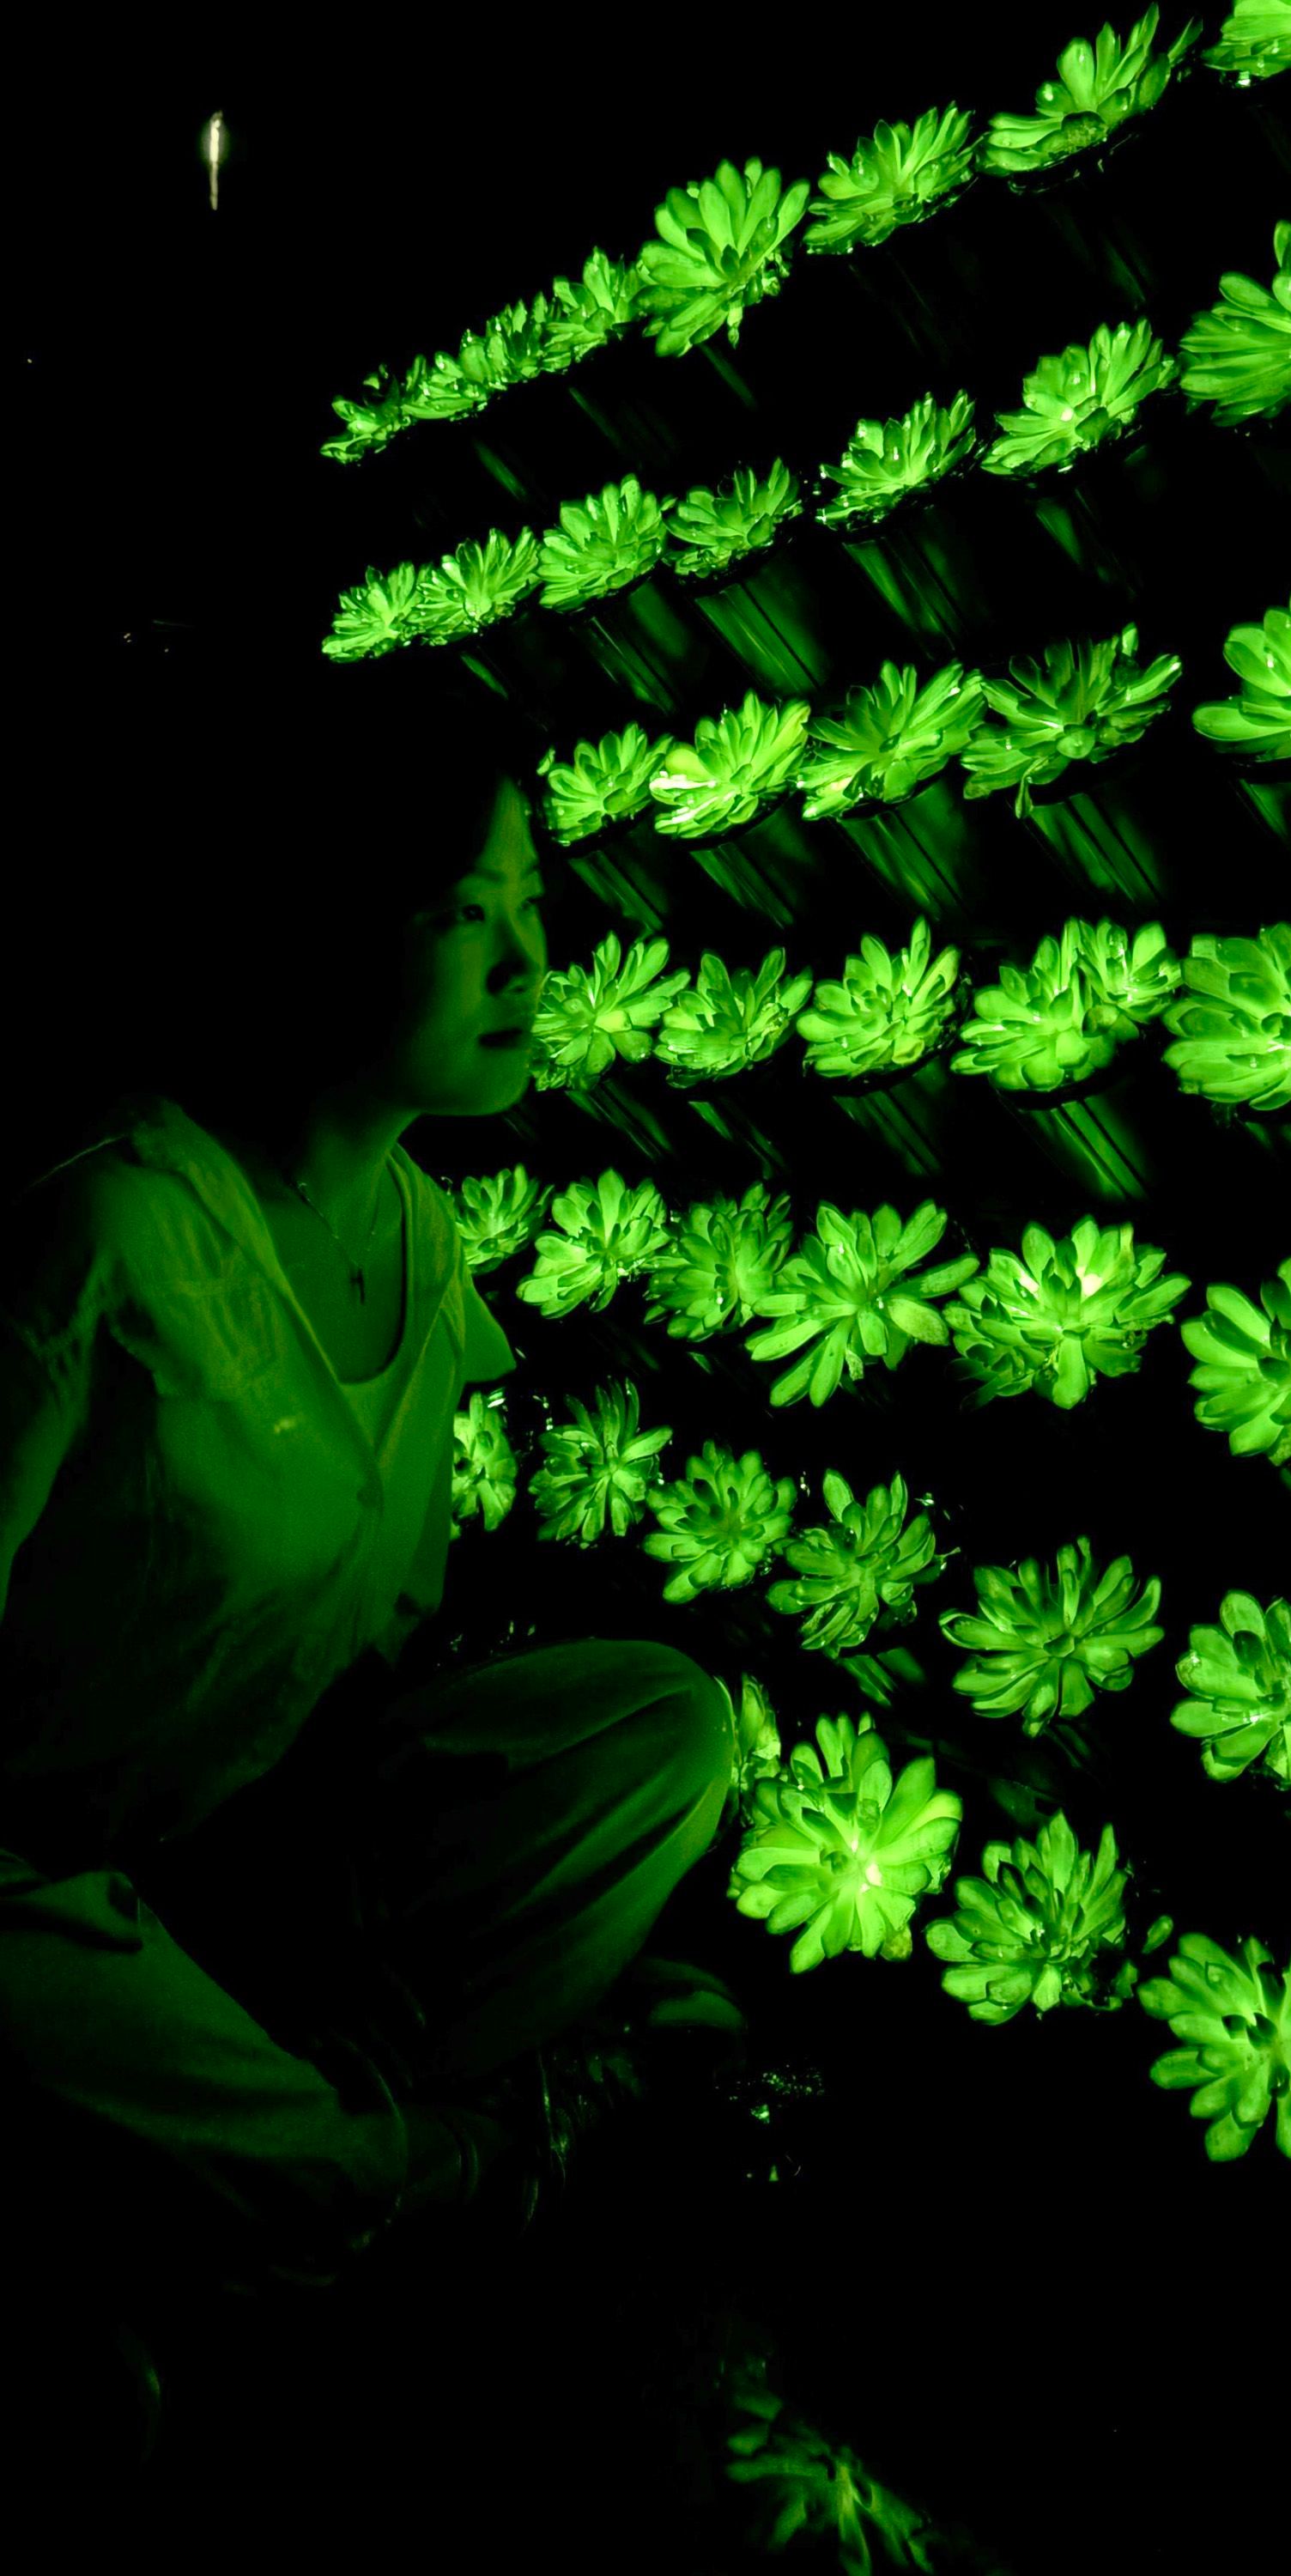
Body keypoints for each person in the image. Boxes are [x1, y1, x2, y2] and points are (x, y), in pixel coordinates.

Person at [0, 629, 738, 2363]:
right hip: (31, 1883)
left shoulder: (424, 1231)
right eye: (468, 915)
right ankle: (371, 2175)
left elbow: (366, 1664)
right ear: (322, 918)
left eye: (535, 905)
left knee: (657, 1730)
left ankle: (271, 2136)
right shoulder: (102, 1230)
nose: (534, 963)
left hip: (236, 1856)